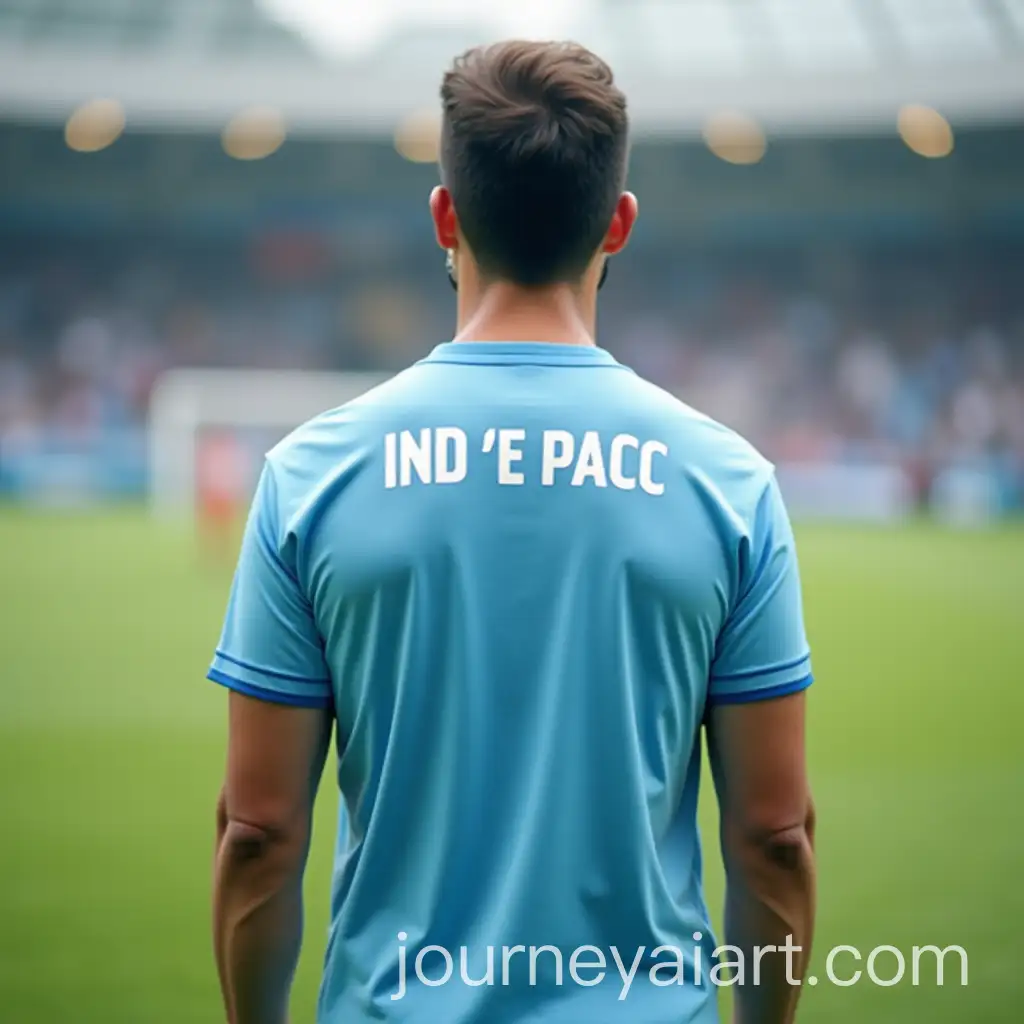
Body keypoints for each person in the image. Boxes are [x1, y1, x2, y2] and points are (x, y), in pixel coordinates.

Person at [209, 40, 816, 1024]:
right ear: (616, 226)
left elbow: (259, 829)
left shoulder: (310, 477)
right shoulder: (728, 484)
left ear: (445, 217)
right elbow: (774, 833)